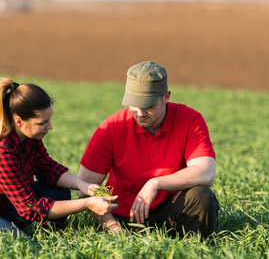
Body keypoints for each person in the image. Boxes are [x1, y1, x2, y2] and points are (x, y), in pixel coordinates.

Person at [0, 78, 118, 237]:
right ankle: (27, 233)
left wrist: (82, 185)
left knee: (58, 191)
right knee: (17, 242)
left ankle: (48, 236)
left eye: (50, 119)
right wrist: (86, 204)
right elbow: (29, 207)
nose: (50, 127)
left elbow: (46, 168)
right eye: (43, 122)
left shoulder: (28, 135)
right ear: (19, 121)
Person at [77, 61, 219, 239]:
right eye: (134, 105)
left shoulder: (190, 119)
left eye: (149, 106)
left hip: (171, 211)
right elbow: (83, 188)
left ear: (166, 97)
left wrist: (155, 183)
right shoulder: (112, 127)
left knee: (202, 197)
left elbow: (206, 173)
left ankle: (194, 249)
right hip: (123, 216)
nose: (140, 113)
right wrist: (114, 229)